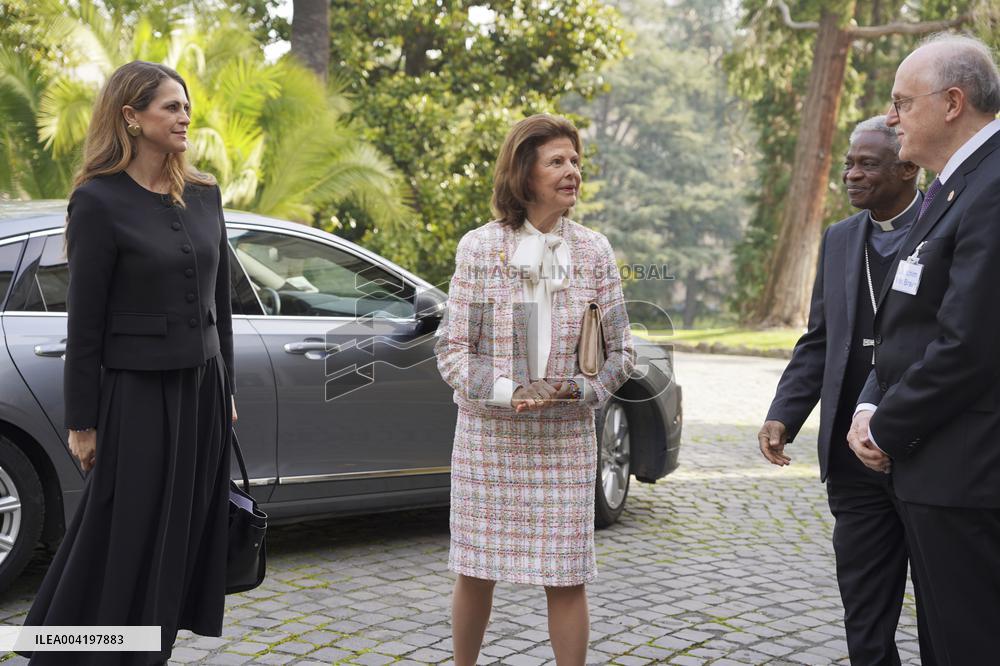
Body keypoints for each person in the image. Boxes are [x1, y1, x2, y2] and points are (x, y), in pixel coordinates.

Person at [22, 61, 236, 665]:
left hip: (202, 395)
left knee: (184, 537)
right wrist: (82, 422)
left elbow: (219, 300)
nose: (184, 116)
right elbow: (83, 323)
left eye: (186, 105)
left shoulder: (205, 193)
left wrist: (227, 390)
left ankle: (151, 651)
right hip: (138, 396)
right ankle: (61, 650)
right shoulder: (97, 202)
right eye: (171, 106)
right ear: (131, 117)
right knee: (121, 536)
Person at [435, 114, 635, 666]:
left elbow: (622, 354)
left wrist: (577, 389)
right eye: (557, 161)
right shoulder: (479, 248)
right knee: (475, 570)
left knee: (567, 575)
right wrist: (507, 389)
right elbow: (453, 350)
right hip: (488, 439)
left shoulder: (595, 251)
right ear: (525, 173)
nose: (572, 171)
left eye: (575, 161)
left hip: (565, 440)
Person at [847, 34, 1000, 665]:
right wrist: (871, 399)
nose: (890, 117)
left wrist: (886, 426)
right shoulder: (955, 184)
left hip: (966, 472)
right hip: (940, 467)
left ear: (952, 103)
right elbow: (916, 321)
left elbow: (969, 342)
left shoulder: (990, 187)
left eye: (902, 102)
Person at [759, 116, 931, 665]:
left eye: (867, 164)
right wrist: (783, 415)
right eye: (848, 164)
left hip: (929, 450)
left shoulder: (945, 225)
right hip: (850, 460)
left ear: (908, 167)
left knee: (943, 609)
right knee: (864, 608)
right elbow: (819, 341)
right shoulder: (839, 239)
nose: (851, 175)